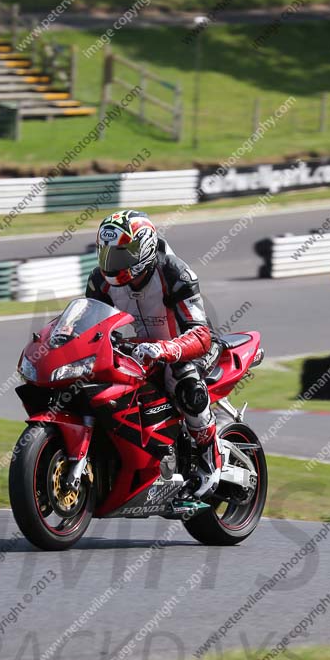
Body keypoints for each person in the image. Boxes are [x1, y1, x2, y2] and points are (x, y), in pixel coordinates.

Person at [86, 209, 223, 498]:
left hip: (190, 345)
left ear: (144, 250)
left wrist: (167, 348)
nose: (112, 264)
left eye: (120, 256)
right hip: (139, 351)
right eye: (107, 254)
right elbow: (91, 327)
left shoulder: (174, 272)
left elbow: (201, 333)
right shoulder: (99, 281)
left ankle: (210, 455)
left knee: (182, 377)